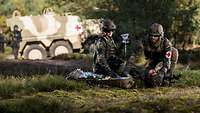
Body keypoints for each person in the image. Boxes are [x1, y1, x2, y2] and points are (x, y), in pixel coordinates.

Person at [125, 23, 178, 87]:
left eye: (155, 36)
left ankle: (168, 77)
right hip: (152, 59)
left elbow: (167, 62)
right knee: (146, 75)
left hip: (163, 60)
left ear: (160, 36)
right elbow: (133, 56)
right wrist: (126, 71)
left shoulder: (166, 44)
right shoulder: (144, 41)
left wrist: (162, 73)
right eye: (151, 35)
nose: (153, 37)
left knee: (174, 52)